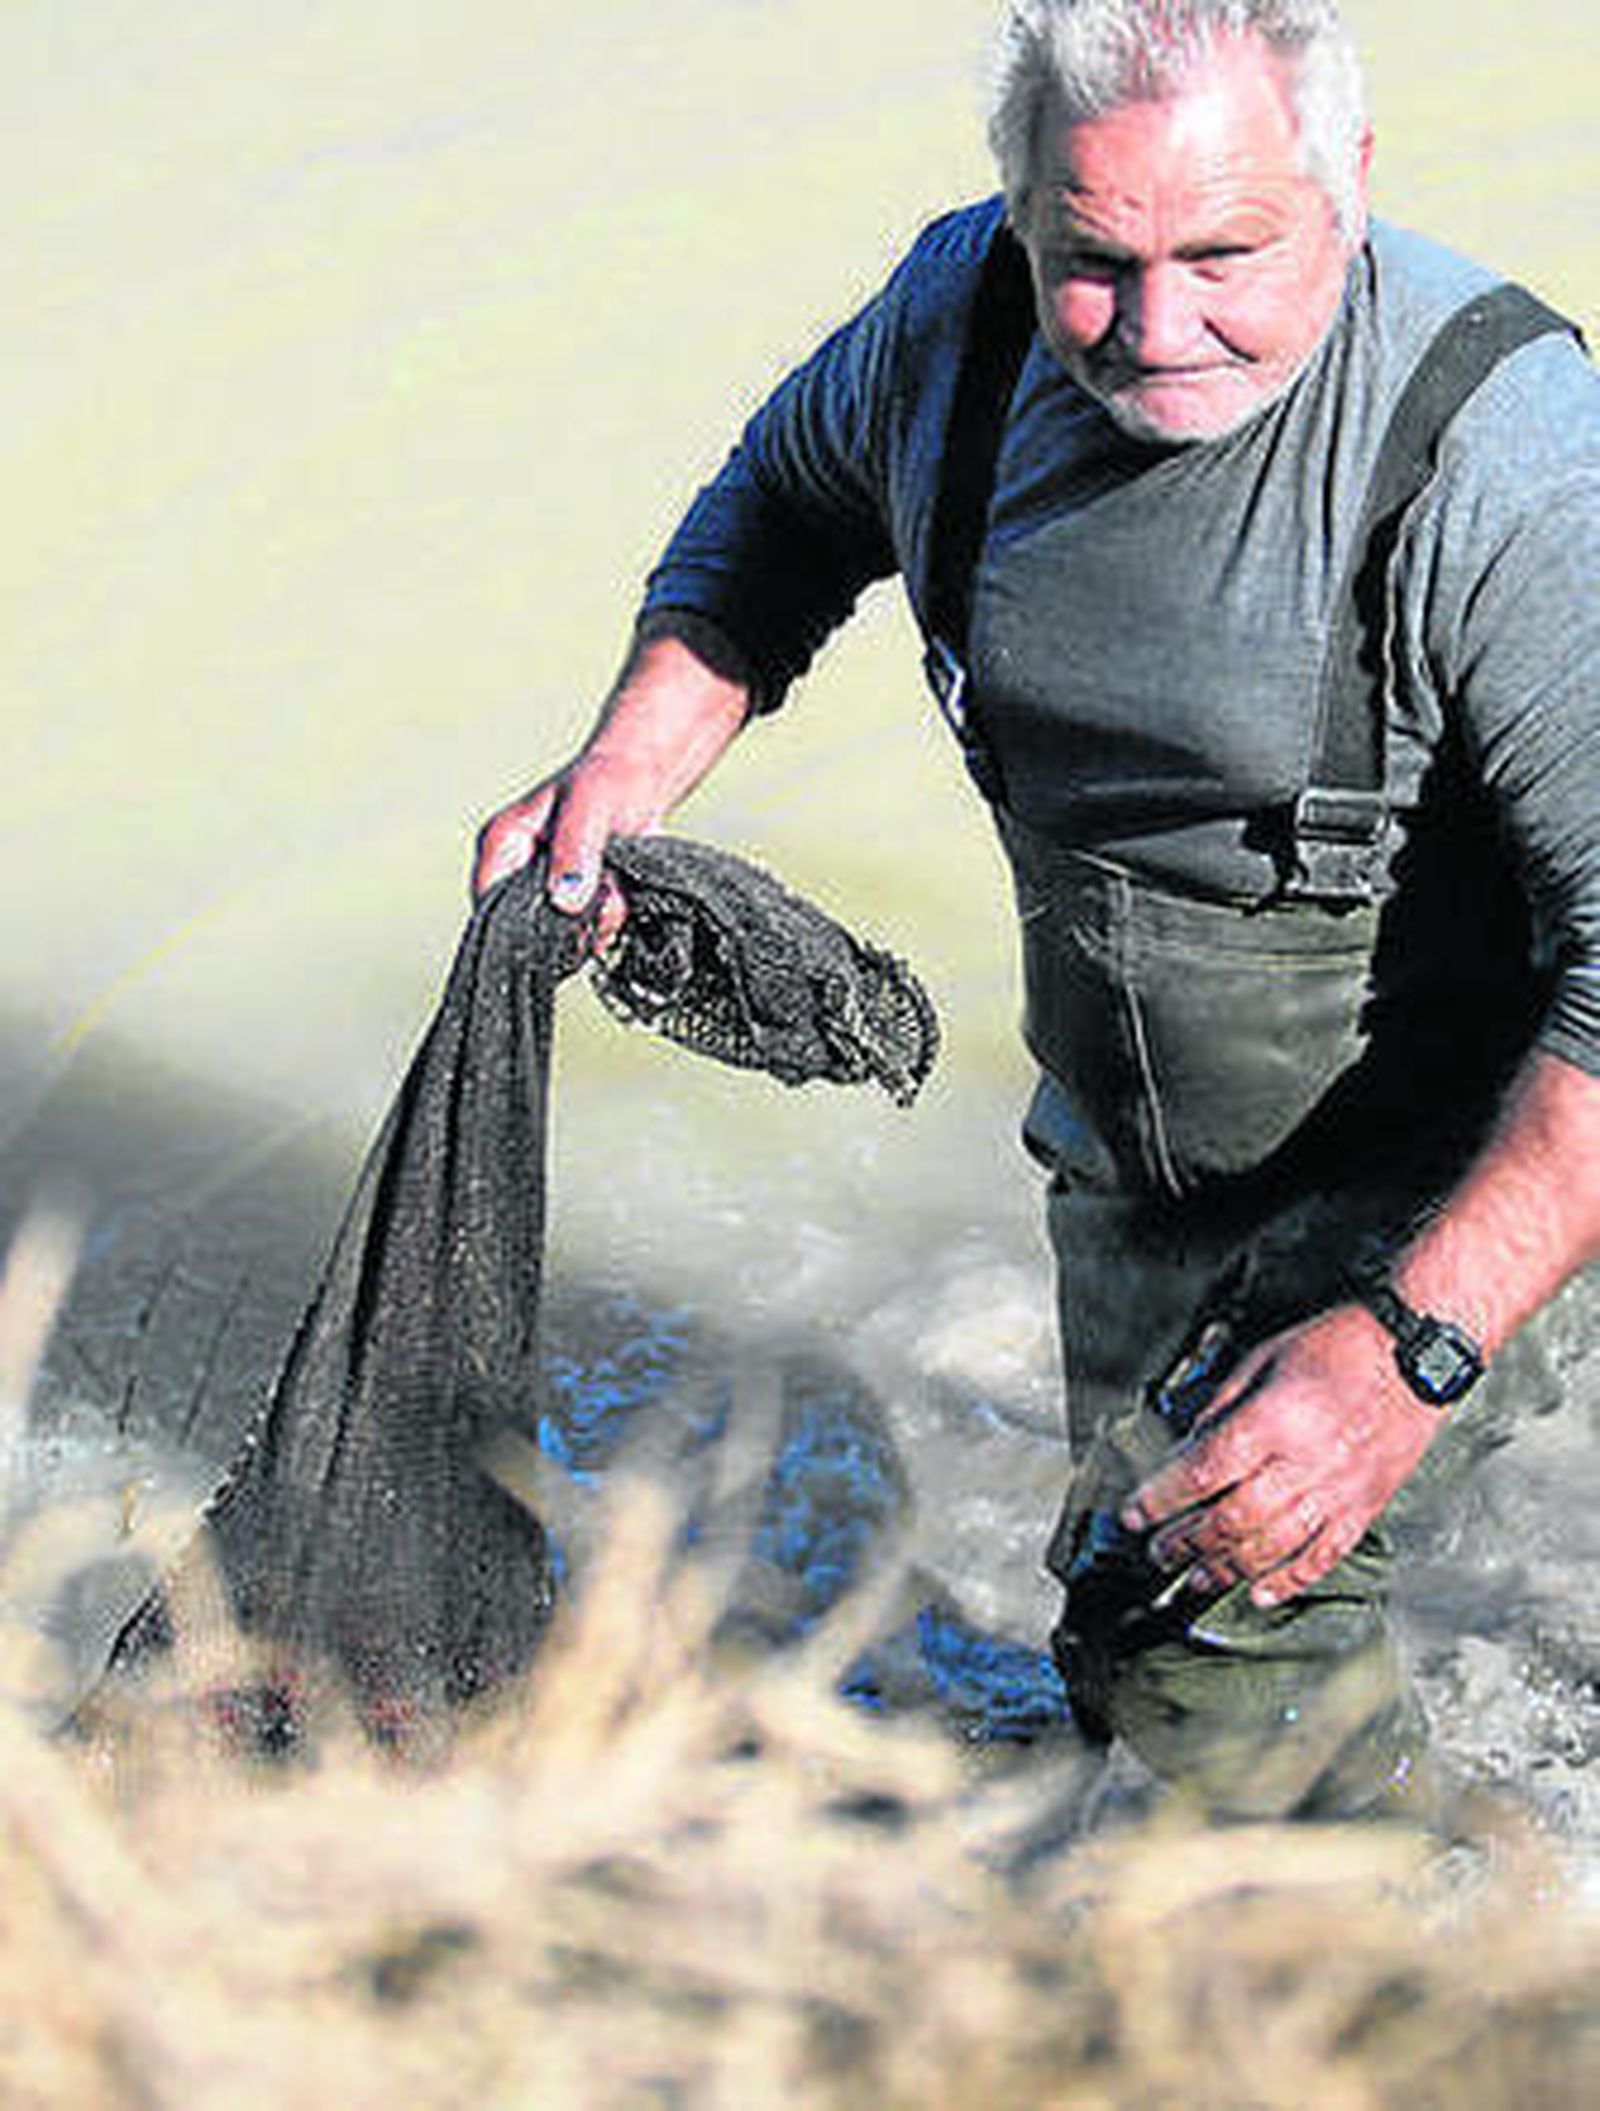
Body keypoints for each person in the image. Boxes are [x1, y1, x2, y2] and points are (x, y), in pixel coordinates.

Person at [472, 0, 1600, 1820]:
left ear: (1354, 184)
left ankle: (1432, 1983)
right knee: (1125, 1619)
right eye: (1096, 262)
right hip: (1129, 1159)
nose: (1158, 334)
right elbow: (777, 514)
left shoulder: (1510, 464)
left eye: (1226, 253)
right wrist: (623, 772)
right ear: (1020, 209)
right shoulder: (961, 318)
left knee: (1210, 1649)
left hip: (1460, 1166)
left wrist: (1410, 1353)